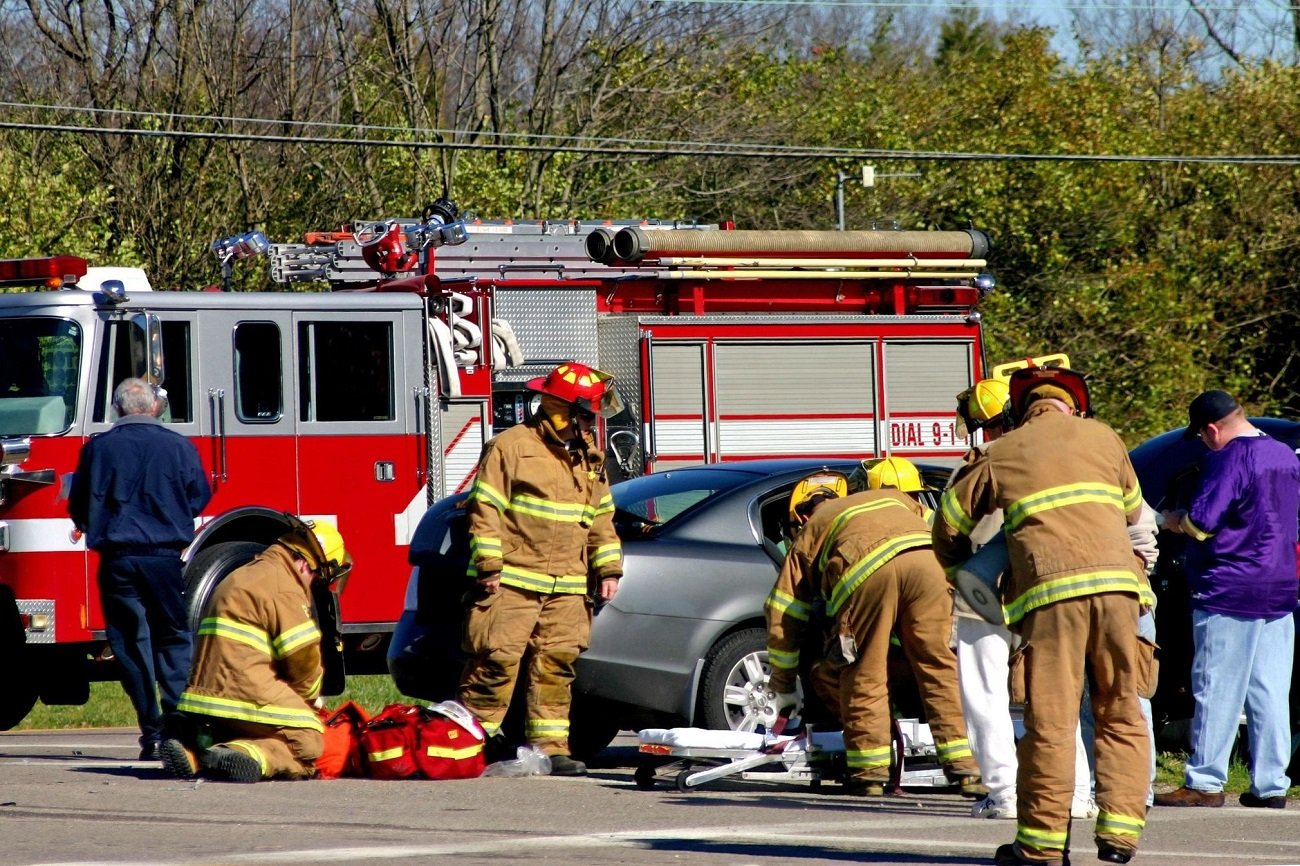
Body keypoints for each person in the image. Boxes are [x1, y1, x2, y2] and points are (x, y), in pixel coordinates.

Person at [934, 365, 1153, 866]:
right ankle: (1120, 835)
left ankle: (1040, 847)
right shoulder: (1105, 438)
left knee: (1051, 723)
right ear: (1073, 407)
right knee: (1120, 708)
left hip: (1051, 597)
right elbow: (1133, 515)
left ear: (1018, 412)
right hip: (1121, 593)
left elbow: (947, 524)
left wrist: (964, 564)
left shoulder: (1000, 452)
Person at [765, 464, 982, 796]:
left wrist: (782, 684)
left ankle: (870, 775)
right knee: (938, 666)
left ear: (800, 519)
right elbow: (941, 528)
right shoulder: (894, 500)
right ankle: (965, 769)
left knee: (864, 669)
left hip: (866, 570)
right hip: (928, 563)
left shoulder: (814, 527)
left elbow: (785, 609)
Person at [457, 362, 624, 777]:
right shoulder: (510, 447)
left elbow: (601, 518)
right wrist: (489, 566)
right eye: (586, 414)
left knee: (557, 666)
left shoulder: (589, 459)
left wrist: (608, 570)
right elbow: (485, 509)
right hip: (512, 580)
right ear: (560, 409)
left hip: (567, 585)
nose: (591, 424)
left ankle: (551, 748)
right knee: (495, 662)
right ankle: (466, 744)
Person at [946, 377, 1102, 822]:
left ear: (987, 424)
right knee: (1057, 694)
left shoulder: (988, 460)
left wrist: (955, 570)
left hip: (985, 596)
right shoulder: (1064, 456)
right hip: (1044, 588)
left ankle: (1005, 793)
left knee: (985, 694)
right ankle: (1076, 794)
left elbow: (951, 526)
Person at [1153, 390, 1299, 810]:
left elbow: (1203, 522)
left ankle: (1205, 780)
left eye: (1201, 436)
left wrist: (1172, 520)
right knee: (1270, 689)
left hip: (1229, 586)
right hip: (1280, 586)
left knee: (1216, 685)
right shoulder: (1285, 455)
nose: (1203, 442)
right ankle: (1271, 784)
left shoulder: (1230, 458)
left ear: (1212, 428)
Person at [67, 377, 212, 760]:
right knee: (174, 639)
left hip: (116, 560)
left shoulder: (97, 449)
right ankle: (178, 727)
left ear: (117, 409)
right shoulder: (179, 446)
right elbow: (199, 496)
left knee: (131, 645)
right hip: (164, 558)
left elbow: (78, 503)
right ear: (153, 408)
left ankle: (150, 731)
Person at [160, 517, 352, 782]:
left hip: (202, 698)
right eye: (317, 576)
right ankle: (248, 754)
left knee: (259, 724)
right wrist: (308, 700)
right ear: (305, 564)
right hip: (242, 693)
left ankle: (192, 749)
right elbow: (303, 659)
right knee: (309, 743)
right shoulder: (283, 586)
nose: (313, 583)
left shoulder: (244, 572)